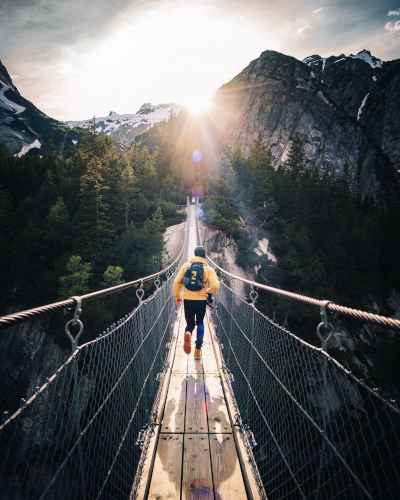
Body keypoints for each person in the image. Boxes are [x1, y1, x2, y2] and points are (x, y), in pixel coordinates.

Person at [173, 246, 220, 360]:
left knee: (190, 323)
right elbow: (215, 286)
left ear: (194, 254)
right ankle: (197, 350)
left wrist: (178, 296)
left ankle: (188, 332)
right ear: (204, 256)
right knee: (200, 323)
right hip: (201, 301)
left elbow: (176, 282)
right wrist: (206, 291)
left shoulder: (186, 266)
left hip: (188, 300)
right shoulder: (208, 268)